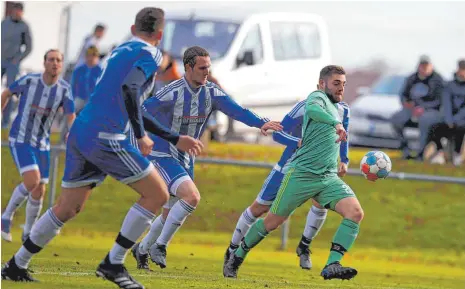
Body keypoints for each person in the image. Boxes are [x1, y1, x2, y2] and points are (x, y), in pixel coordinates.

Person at [1, 8, 202, 289]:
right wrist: (142, 136)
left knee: (67, 207)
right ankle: (114, 263)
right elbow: (130, 90)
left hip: (81, 131)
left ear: (133, 28)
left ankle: (15, 264)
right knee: (157, 194)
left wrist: (171, 137)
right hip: (106, 135)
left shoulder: (121, 49)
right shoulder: (152, 54)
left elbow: (129, 99)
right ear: (159, 34)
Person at [130, 46, 283, 270]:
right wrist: (137, 139)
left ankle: (141, 250)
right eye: (202, 68)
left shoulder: (212, 92)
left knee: (169, 212)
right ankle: (160, 246)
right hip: (162, 155)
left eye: (208, 68)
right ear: (188, 68)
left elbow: (237, 111)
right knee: (191, 197)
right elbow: (140, 111)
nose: (206, 72)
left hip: (185, 159)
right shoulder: (171, 93)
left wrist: (262, 122)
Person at [224, 65, 361, 281]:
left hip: (327, 176)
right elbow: (310, 114)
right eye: (336, 84)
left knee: (355, 213)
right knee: (270, 221)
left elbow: (344, 135)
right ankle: (236, 255)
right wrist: (330, 125)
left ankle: (331, 263)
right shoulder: (315, 99)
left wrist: (343, 160)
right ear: (322, 84)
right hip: (300, 173)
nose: (341, 89)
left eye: (343, 85)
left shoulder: (342, 109)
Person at [1, 49, 76, 243]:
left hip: (42, 144)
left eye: (58, 60)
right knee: (32, 180)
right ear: (44, 63)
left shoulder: (64, 89)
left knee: (39, 190)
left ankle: (28, 232)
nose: (55, 63)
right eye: (51, 59)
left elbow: (70, 116)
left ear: (61, 64)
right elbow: (6, 93)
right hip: (21, 139)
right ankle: (5, 218)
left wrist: (72, 133)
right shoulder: (29, 81)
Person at [391, 55, 444, 160]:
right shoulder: (412, 78)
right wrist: (406, 103)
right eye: (422, 66)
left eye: (426, 66)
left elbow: (440, 100)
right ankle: (405, 150)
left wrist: (424, 107)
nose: (424, 68)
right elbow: (403, 94)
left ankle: (420, 153)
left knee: (425, 121)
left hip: (431, 110)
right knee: (396, 119)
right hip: (412, 109)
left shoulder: (438, 80)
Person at [1, 2, 33, 128]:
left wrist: (18, 59)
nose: (17, 13)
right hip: (0, 59)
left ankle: (5, 121)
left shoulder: (24, 27)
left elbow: (29, 47)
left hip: (12, 63)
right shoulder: (4, 23)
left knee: (10, 90)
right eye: (16, 10)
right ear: (12, 11)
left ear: (22, 12)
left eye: (20, 11)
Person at [438, 59, 465, 166]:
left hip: (461, 119)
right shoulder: (449, 85)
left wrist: (456, 119)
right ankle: (443, 154)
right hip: (450, 119)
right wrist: (449, 119)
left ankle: (459, 155)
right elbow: (446, 103)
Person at [70, 46, 102, 114]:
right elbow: (72, 86)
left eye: (94, 56)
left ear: (97, 57)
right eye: (89, 56)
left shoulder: (101, 70)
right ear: (86, 57)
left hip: (94, 100)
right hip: (80, 98)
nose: (91, 58)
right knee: (71, 112)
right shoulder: (79, 70)